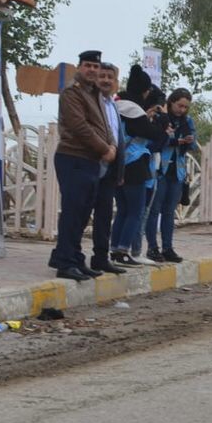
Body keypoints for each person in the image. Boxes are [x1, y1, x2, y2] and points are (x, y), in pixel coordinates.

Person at [48, 50, 116, 280]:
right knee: (73, 211)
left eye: (95, 67)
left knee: (83, 212)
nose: (92, 70)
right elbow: (80, 127)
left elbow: (105, 125)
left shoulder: (96, 94)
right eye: (88, 65)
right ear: (79, 67)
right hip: (73, 157)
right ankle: (65, 263)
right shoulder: (72, 93)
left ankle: (76, 259)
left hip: (91, 161)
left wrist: (112, 145)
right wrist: (105, 149)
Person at [110, 67, 169, 267]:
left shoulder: (116, 106)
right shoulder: (134, 111)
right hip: (135, 164)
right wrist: (162, 119)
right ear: (144, 91)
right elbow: (155, 135)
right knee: (135, 211)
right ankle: (124, 250)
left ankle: (115, 249)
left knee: (122, 210)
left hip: (118, 163)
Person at [145, 87, 197, 263]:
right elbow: (155, 141)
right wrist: (174, 140)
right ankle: (152, 247)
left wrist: (188, 140)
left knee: (169, 212)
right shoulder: (161, 118)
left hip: (178, 171)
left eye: (185, 107)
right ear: (171, 102)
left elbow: (193, 144)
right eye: (179, 106)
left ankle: (168, 247)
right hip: (160, 170)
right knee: (154, 210)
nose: (182, 110)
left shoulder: (187, 121)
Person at [91, 62, 127, 275]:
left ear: (115, 82)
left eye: (109, 77)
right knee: (81, 214)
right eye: (102, 76)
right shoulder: (92, 103)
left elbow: (119, 139)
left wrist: (120, 171)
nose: (105, 80)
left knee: (104, 216)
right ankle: (70, 258)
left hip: (110, 169)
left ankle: (101, 257)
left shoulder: (113, 105)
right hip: (92, 165)